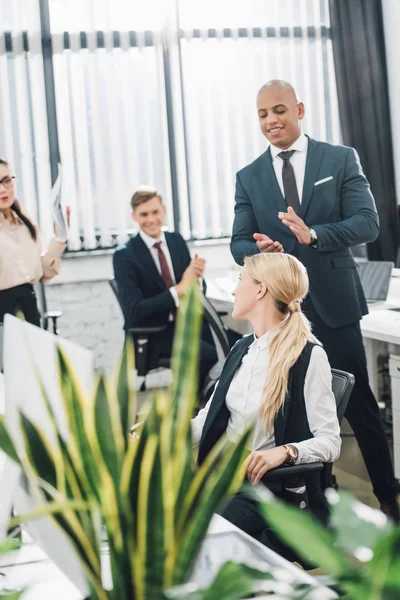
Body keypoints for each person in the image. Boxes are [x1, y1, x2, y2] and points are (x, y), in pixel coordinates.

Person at [230, 79, 399, 520]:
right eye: (263, 114)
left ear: (299, 109)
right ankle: (321, 498)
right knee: (292, 406)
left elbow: (367, 223)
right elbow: (237, 243)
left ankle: (388, 494)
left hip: (334, 302)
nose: (271, 120)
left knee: (358, 401)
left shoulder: (339, 159)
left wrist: (316, 234)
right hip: (283, 309)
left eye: (280, 110)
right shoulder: (248, 176)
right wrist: (257, 251)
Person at [192, 253, 341, 554]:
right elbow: (207, 419)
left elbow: (331, 442)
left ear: (260, 290)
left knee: (198, 538)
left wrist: (285, 452)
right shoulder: (242, 348)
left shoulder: (308, 357)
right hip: (225, 477)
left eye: (240, 280)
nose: (234, 290)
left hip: (269, 491)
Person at [113, 186, 217, 394]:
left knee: (234, 343)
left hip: (187, 322)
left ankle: (207, 398)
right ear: (134, 216)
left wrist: (196, 278)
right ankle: (191, 405)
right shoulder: (124, 255)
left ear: (164, 211)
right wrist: (178, 290)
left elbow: (192, 285)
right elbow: (136, 309)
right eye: (144, 214)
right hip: (154, 333)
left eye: (155, 212)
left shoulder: (176, 241)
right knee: (207, 355)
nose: (151, 219)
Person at [0, 158, 67, 327]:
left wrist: (59, 238)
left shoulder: (23, 222)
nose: (2, 189)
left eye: (6, 181)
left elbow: (40, 273)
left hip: (29, 307)